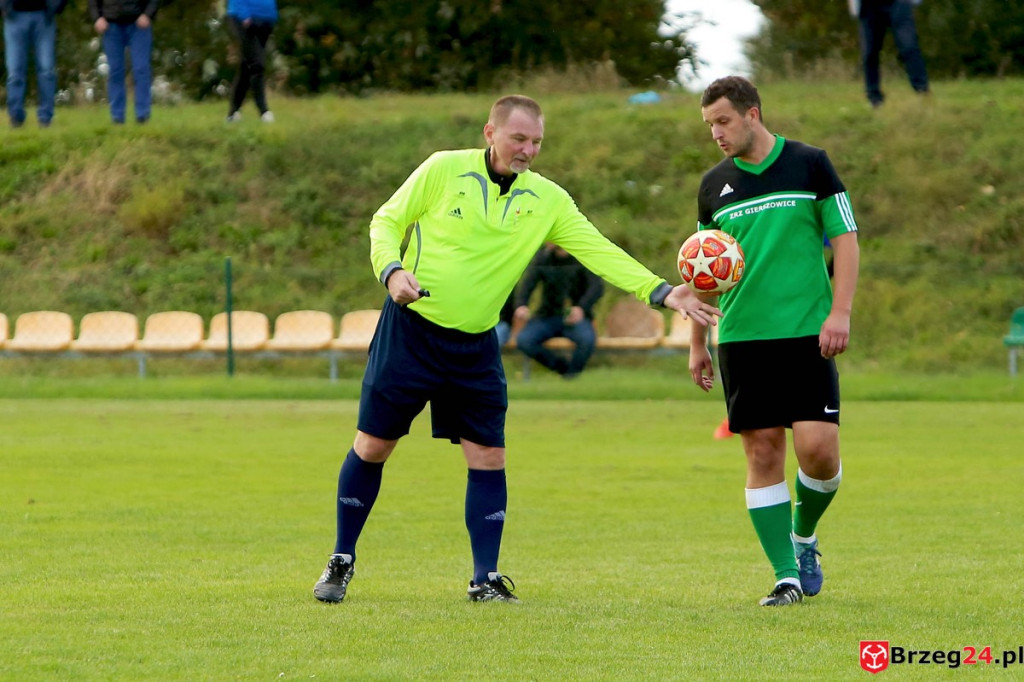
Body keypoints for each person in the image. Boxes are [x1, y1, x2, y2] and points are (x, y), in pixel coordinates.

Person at [313, 94, 722, 605]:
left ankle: (484, 578)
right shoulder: (443, 169)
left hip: (477, 344)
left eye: (536, 142)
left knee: (488, 455)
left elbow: (598, 250)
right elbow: (385, 221)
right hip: (410, 333)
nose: (528, 149)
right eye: (519, 138)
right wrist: (392, 271)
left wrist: (661, 291)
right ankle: (341, 559)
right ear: (490, 132)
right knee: (373, 446)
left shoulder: (547, 199)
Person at [689, 76, 859, 607]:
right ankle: (785, 575)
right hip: (742, 338)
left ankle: (804, 535)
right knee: (763, 452)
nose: (716, 133)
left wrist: (840, 312)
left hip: (808, 334)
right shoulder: (713, 185)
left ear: (752, 114)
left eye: (723, 121)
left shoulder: (809, 163)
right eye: (709, 124)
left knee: (819, 454)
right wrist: (698, 343)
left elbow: (847, 240)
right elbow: (702, 267)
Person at [514, 243, 604, 378]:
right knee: (524, 340)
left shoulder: (582, 256)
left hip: (575, 317)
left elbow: (597, 287)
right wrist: (521, 305)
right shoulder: (543, 258)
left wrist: (581, 308)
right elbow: (528, 283)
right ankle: (561, 368)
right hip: (548, 315)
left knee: (587, 340)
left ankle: (572, 376)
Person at [88, 0, 159, 124]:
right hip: (111, 25)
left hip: (138, 24)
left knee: (141, 69)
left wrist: (148, 14)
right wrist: (97, 17)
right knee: (115, 71)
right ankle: (117, 117)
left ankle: (143, 115)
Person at [848, 0, 929, 108]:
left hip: (899, 3)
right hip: (868, 6)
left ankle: (922, 91)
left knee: (909, 46)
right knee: (870, 52)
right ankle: (874, 98)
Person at [2, 0, 67, 128]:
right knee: (15, 71)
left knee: (47, 69)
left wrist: (56, 6)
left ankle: (45, 119)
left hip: (44, 16)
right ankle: (16, 118)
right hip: (14, 16)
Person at [224, 0, 277, 123]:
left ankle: (233, 113)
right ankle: (264, 112)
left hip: (266, 20)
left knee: (247, 67)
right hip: (244, 18)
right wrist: (244, 15)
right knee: (256, 65)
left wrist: (272, 15)